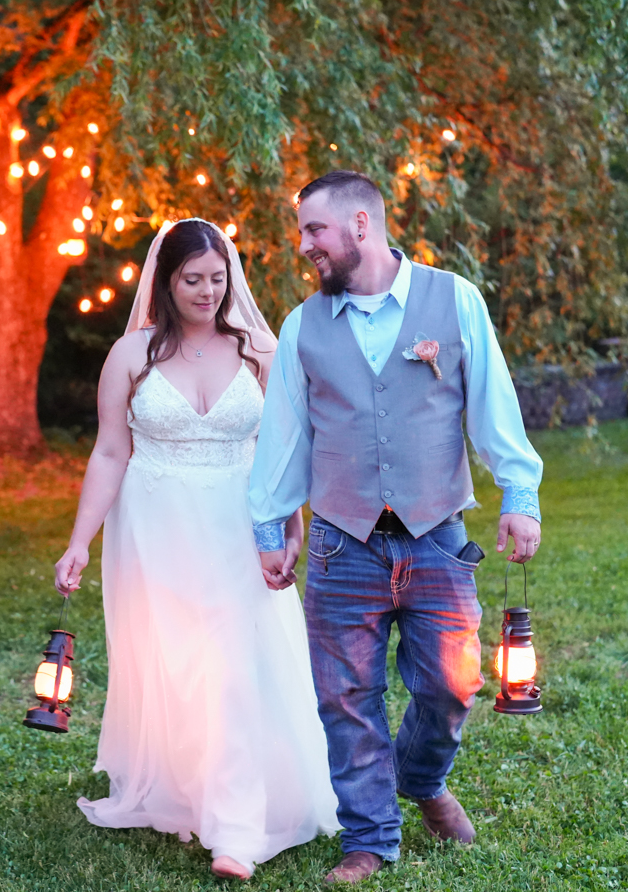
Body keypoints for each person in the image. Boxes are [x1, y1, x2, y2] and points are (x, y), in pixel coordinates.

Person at [249, 171, 544, 884]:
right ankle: (370, 840)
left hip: (437, 534)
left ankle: (421, 778)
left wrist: (519, 493)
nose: (304, 246)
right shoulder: (302, 327)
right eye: (301, 233)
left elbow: (493, 406)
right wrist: (269, 530)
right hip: (340, 542)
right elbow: (285, 437)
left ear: (359, 224)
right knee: (347, 699)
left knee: (454, 686)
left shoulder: (455, 300)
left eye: (314, 230)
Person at [55, 218, 338, 881]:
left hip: (243, 526)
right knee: (180, 663)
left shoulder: (260, 354)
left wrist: (292, 525)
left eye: (218, 279)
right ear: (164, 282)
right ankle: (189, 785)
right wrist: (79, 543)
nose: (208, 292)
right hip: (156, 525)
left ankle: (236, 828)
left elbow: (286, 452)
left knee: (239, 664)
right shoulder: (131, 355)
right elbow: (108, 453)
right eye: (193, 280)